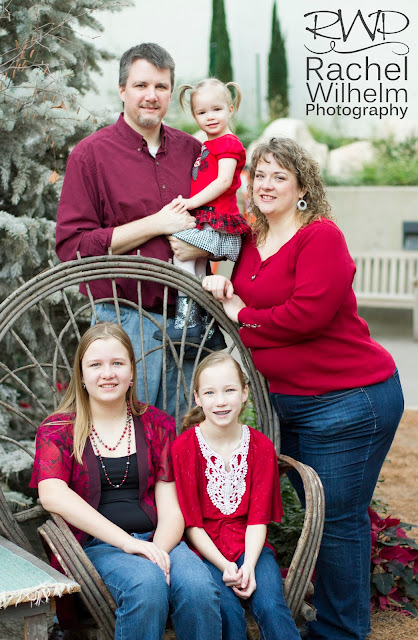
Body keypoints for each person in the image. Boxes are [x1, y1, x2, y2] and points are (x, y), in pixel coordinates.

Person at [200, 138, 404, 640]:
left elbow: (307, 314)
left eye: (279, 177)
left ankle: (341, 632)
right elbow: (236, 286)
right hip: (290, 403)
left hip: (349, 399)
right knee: (320, 517)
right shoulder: (253, 239)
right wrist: (223, 285)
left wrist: (242, 316)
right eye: (260, 175)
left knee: (336, 520)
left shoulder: (320, 237)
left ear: (302, 188)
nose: (266, 185)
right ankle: (334, 621)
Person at [55, 43, 225, 415]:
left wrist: (203, 246)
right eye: (141, 85)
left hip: (189, 318)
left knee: (187, 429)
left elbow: (225, 225)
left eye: (161, 87)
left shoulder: (193, 151)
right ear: (122, 90)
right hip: (123, 319)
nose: (151, 96)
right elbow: (72, 247)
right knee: (131, 431)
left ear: (171, 93)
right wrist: (156, 224)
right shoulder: (90, 155)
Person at [30, 322, 221, 640]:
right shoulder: (58, 429)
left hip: (159, 539)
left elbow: (172, 508)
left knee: (199, 587)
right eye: (96, 365)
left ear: (131, 372)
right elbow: (52, 494)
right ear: (81, 375)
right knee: (145, 585)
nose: (107, 373)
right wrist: (128, 544)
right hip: (95, 547)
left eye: (117, 363)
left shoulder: (157, 423)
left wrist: (155, 551)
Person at [171, 352, 301, 640]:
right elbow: (192, 525)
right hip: (204, 550)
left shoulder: (261, 447)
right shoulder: (184, 448)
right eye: (210, 392)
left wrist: (249, 566)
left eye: (229, 390)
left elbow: (257, 519)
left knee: (271, 606)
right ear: (197, 398)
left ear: (244, 393)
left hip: (250, 546)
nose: (220, 401)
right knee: (227, 611)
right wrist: (225, 566)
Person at [153, 79, 249, 344]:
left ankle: (188, 317)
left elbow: (224, 181)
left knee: (182, 255)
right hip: (207, 217)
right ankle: (203, 317)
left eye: (217, 109)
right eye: (202, 112)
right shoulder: (206, 145)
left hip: (218, 219)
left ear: (230, 109)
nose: (210, 117)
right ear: (194, 116)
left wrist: (191, 202)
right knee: (196, 267)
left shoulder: (228, 143)